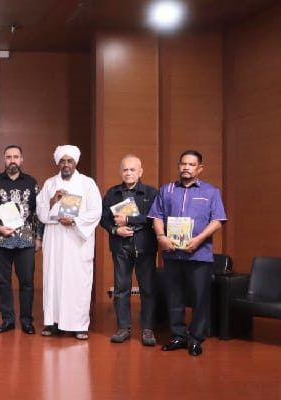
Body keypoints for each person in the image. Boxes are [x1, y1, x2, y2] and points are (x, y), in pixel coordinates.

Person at [148, 150, 227, 357]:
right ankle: (178, 336)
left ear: (199, 168)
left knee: (201, 298)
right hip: (172, 254)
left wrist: (198, 240)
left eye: (191, 165)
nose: (186, 167)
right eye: (183, 164)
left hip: (199, 254)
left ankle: (195, 339)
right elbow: (156, 216)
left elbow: (217, 220)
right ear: (178, 166)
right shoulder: (167, 190)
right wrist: (161, 237)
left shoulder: (211, 191)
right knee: (175, 297)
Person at [36, 145, 102, 340]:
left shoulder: (87, 183)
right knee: (53, 279)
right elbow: (40, 213)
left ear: (75, 163)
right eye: (62, 161)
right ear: (58, 163)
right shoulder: (49, 184)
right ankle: (53, 322)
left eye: (69, 161)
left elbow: (95, 211)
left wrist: (74, 220)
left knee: (77, 281)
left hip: (76, 239)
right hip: (55, 238)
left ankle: (79, 324)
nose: (66, 164)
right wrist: (52, 201)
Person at [0, 145, 43, 334]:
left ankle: (26, 321)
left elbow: (39, 212)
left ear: (21, 159)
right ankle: (7, 320)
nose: (12, 160)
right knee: (3, 282)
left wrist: (38, 237)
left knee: (27, 283)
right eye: (8, 157)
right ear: (4, 159)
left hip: (25, 242)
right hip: (0, 241)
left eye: (16, 157)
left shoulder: (31, 183)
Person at [100, 155, 158, 346]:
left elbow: (153, 218)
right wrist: (116, 229)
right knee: (121, 289)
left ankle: (148, 329)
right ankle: (123, 327)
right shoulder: (112, 193)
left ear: (140, 172)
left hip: (145, 247)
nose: (129, 173)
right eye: (125, 169)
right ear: (120, 172)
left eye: (133, 169)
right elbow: (103, 219)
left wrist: (128, 220)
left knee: (147, 289)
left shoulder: (151, 193)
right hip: (120, 247)